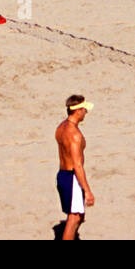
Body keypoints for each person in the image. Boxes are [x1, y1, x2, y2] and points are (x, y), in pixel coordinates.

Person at [55, 95, 95, 240]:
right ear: (77, 111)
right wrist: (88, 191)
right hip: (72, 177)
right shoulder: (75, 135)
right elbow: (77, 165)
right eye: (84, 109)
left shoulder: (61, 127)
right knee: (74, 218)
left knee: (78, 215)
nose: (86, 112)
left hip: (63, 175)